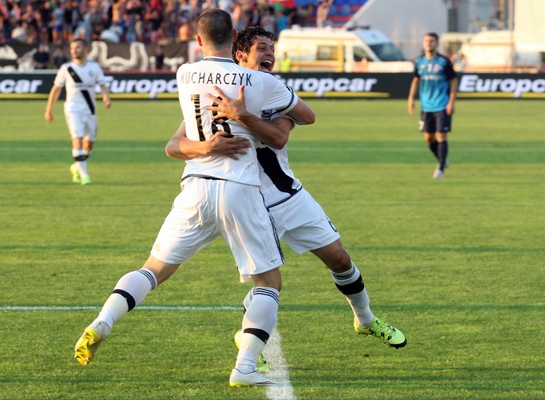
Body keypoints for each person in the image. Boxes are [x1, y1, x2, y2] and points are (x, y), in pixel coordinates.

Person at [73, 8, 315, 388]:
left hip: (196, 183)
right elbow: (306, 115)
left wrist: (205, 145)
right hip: (240, 186)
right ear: (235, 36)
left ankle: (102, 321)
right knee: (268, 280)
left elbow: (177, 140)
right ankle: (246, 366)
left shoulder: (184, 74)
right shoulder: (255, 79)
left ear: (197, 39)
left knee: (153, 269)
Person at [166, 26, 407, 370]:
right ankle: (251, 347)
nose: (270, 54)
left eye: (272, 49)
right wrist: (205, 145)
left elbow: (284, 134)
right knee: (266, 281)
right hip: (243, 199)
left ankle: (366, 320)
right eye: (261, 48)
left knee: (339, 258)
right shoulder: (210, 94)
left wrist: (244, 115)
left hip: (288, 196)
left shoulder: (274, 92)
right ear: (239, 55)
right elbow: (176, 144)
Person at [45, 38, 111, 185]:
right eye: (72, 48)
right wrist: (49, 109)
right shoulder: (66, 68)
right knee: (78, 140)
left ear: (85, 49)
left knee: (89, 145)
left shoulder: (94, 67)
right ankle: (84, 174)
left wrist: (106, 97)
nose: (74, 50)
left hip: (90, 110)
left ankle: (76, 166)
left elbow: (103, 86)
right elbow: (56, 89)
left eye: (77, 47)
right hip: (72, 109)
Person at [408, 32, 457, 179]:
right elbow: (416, 80)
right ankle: (443, 160)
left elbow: (453, 81)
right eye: (426, 41)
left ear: (437, 43)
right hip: (426, 106)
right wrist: (411, 99)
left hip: (442, 104)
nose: (428, 43)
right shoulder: (419, 61)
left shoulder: (443, 62)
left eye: (432, 41)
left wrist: (451, 102)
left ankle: (440, 168)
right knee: (429, 138)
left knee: (441, 135)